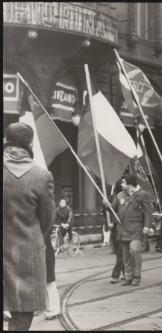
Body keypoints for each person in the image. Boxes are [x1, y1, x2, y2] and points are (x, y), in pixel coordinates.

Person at [4, 123, 56, 330]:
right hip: (26, 255)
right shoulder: (41, 176)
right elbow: (47, 219)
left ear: (5, 141)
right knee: (22, 312)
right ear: (30, 144)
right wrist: (31, 236)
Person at [104, 174, 153, 286]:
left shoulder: (143, 195)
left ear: (130, 184)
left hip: (136, 229)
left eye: (123, 182)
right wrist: (107, 205)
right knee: (125, 254)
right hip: (122, 230)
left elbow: (148, 212)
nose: (121, 185)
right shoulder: (120, 195)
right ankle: (128, 276)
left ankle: (137, 276)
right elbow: (113, 208)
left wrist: (147, 226)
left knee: (134, 250)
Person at [108, 179, 126, 284]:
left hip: (124, 228)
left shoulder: (125, 197)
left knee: (121, 252)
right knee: (120, 252)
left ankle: (116, 274)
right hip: (117, 229)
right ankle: (126, 272)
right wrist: (106, 204)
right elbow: (111, 210)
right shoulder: (117, 197)